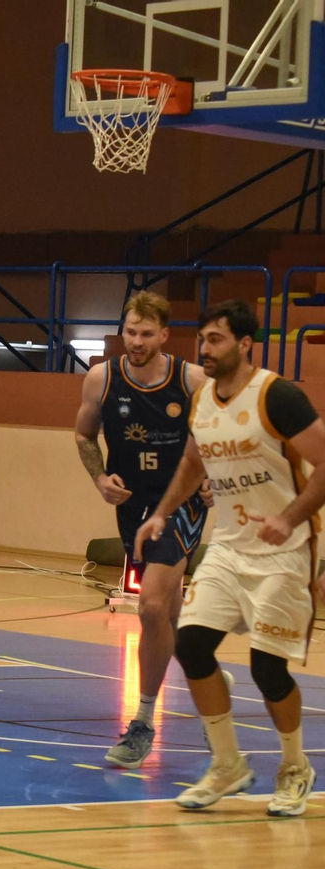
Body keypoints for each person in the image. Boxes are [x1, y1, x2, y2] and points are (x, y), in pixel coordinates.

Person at [136, 299, 324, 817]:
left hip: (285, 551)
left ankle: (294, 768)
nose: (205, 349)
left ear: (244, 344)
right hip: (228, 545)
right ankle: (227, 764)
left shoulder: (278, 395)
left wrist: (288, 516)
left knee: (268, 669)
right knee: (192, 646)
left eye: (215, 339)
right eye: (202, 339)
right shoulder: (202, 401)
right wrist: (162, 513)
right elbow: (194, 462)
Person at [75, 290, 210, 768]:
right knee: (165, 617)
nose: (135, 341)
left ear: (164, 336)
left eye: (146, 333)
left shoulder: (190, 379)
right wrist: (98, 478)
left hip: (180, 503)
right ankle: (205, 674)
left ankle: (143, 723)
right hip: (133, 507)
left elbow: (220, 435)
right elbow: (83, 435)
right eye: (130, 331)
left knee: (150, 605)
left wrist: (212, 477)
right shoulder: (101, 379)